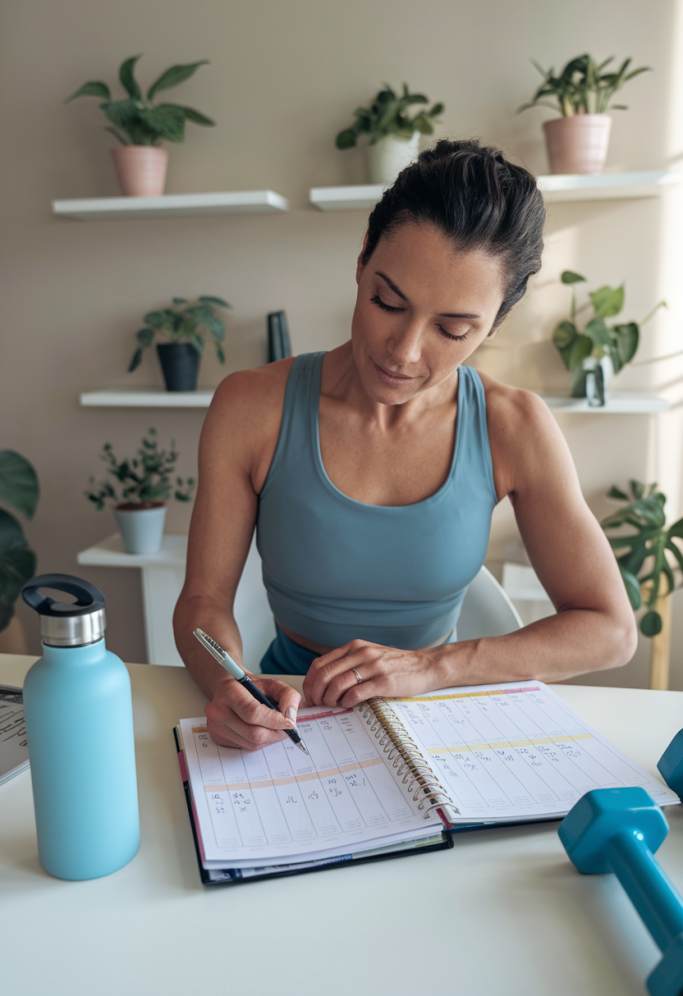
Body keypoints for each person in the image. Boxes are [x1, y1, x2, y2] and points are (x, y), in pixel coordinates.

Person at [173, 139, 637, 752]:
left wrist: (432, 668)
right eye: (388, 302)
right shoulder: (250, 406)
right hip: (291, 705)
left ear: (495, 322)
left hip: (442, 712)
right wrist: (227, 682)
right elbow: (203, 601)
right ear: (362, 259)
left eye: (453, 329)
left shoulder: (513, 424)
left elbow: (609, 630)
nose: (404, 352)